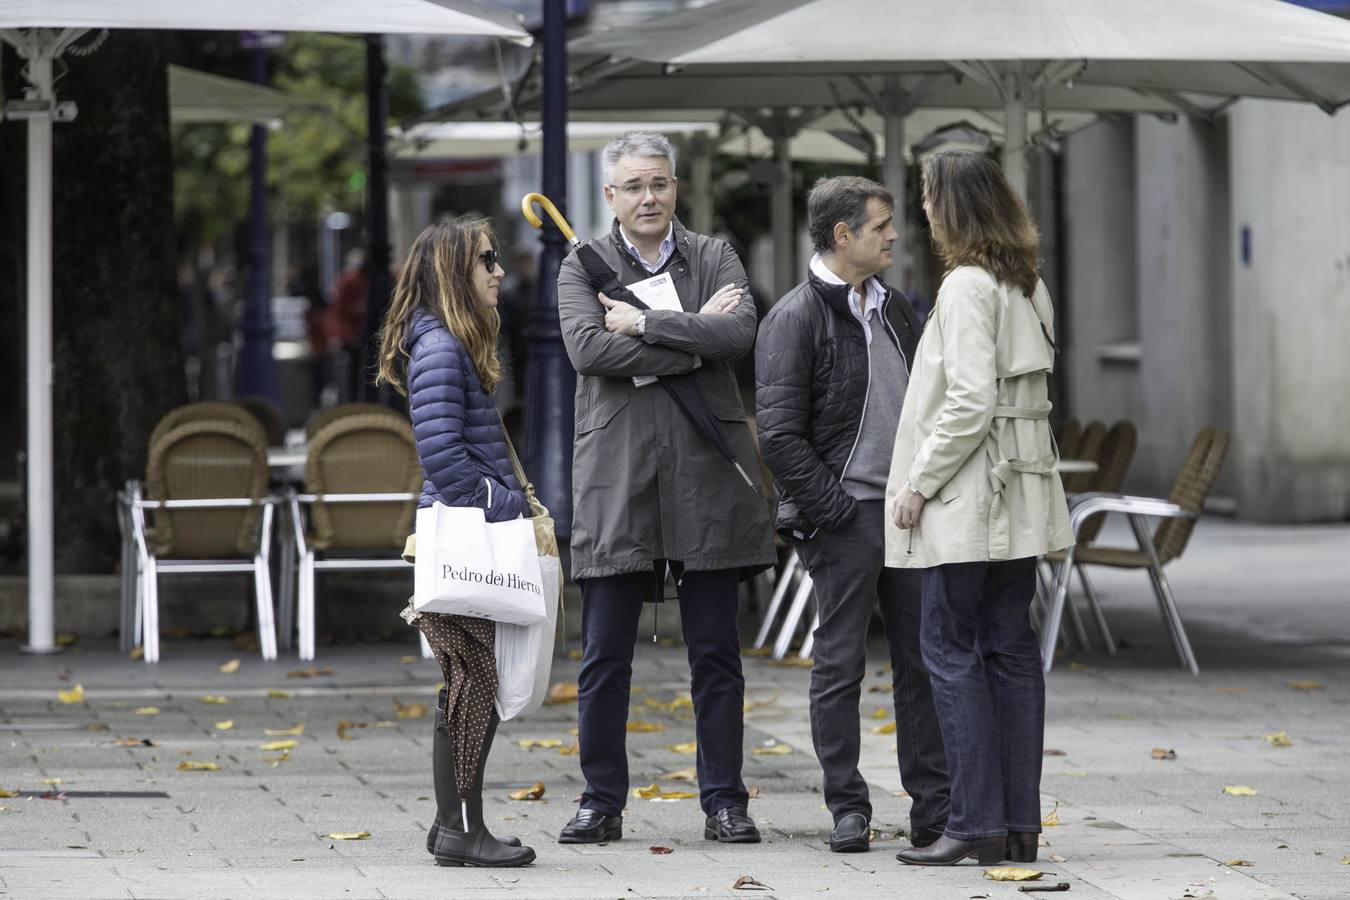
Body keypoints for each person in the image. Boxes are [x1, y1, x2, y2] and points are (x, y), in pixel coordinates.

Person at [555, 130, 776, 846]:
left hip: (707, 475)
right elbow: (590, 350)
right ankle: (600, 801)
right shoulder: (581, 264)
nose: (649, 198)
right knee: (604, 654)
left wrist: (647, 324)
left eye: (660, 183)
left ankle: (724, 801)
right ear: (611, 196)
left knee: (715, 653)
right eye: (634, 186)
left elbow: (738, 334)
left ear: (675, 188)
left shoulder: (713, 254)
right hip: (619, 476)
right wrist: (691, 336)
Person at [886, 150, 1072, 867]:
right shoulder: (1027, 283)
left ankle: (971, 822)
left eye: (930, 197)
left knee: (950, 650)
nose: (924, 210)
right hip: (1018, 497)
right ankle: (1017, 825)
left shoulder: (965, 286)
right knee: (1012, 652)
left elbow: (967, 403)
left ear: (953, 206)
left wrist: (917, 486)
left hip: (968, 499)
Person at [755, 176, 951, 854]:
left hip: (907, 510)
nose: (894, 235)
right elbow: (778, 435)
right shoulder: (794, 318)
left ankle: (934, 806)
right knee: (839, 663)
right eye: (880, 226)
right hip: (846, 517)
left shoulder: (897, 309)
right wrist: (838, 512)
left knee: (922, 661)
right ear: (843, 236)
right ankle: (848, 806)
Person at [374, 216, 536, 868]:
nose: (498, 271)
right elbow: (443, 456)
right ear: (452, 274)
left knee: (468, 682)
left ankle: (454, 828)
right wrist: (504, 502)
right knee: (473, 684)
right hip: (464, 534)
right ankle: (462, 830)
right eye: (485, 261)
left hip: (458, 532)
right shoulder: (442, 348)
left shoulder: (442, 344)